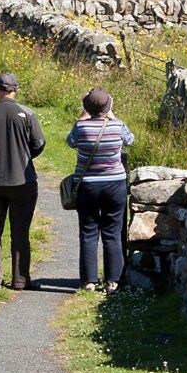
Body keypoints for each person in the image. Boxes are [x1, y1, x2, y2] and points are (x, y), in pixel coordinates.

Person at [0, 70, 46, 289]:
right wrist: (25, 156)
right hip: (23, 181)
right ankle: (20, 279)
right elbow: (38, 143)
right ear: (16, 90)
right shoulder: (27, 113)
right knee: (20, 230)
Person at [66, 86, 135, 293]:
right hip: (114, 184)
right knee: (112, 232)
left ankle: (89, 281)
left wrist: (84, 115)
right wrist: (110, 115)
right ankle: (113, 281)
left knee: (88, 232)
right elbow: (130, 140)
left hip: (87, 185)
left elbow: (70, 142)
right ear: (108, 107)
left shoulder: (81, 127)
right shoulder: (117, 126)